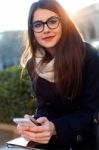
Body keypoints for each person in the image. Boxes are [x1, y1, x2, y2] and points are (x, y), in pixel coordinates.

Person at [17, 0, 99, 149]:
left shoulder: (89, 55)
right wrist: (36, 123)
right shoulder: (32, 64)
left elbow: (92, 113)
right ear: (32, 31)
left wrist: (55, 127)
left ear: (64, 23)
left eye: (52, 21)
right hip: (55, 143)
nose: (46, 29)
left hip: (86, 142)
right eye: (38, 24)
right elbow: (45, 107)